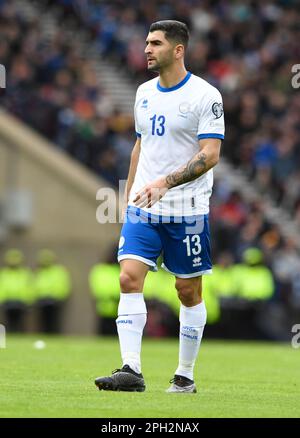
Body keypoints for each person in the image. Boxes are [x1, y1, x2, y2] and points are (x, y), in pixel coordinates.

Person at [95, 20, 225, 393]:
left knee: (187, 291)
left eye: (155, 43)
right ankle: (130, 371)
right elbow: (141, 145)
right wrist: (129, 190)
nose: (147, 49)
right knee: (127, 278)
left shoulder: (205, 96)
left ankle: (185, 375)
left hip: (186, 210)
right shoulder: (143, 92)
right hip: (144, 207)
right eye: (146, 42)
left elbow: (211, 154)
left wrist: (164, 183)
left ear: (178, 50)